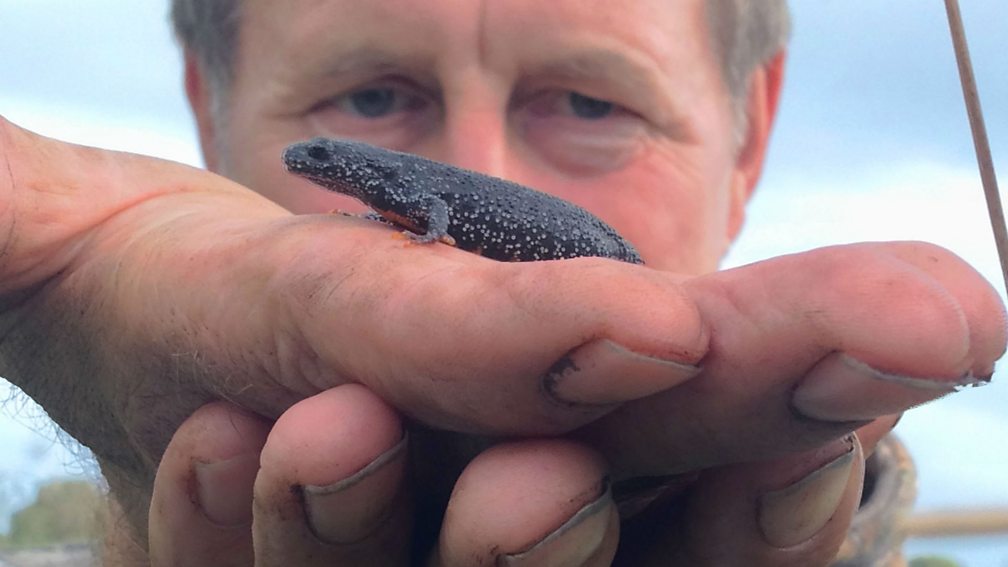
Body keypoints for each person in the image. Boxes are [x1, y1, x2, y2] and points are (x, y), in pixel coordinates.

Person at [0, 0, 1003, 565]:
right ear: (204, 116)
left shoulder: (402, 192)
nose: (488, 156)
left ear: (752, 142)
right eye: (373, 94)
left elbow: (428, 215)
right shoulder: (376, 190)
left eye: (587, 100)